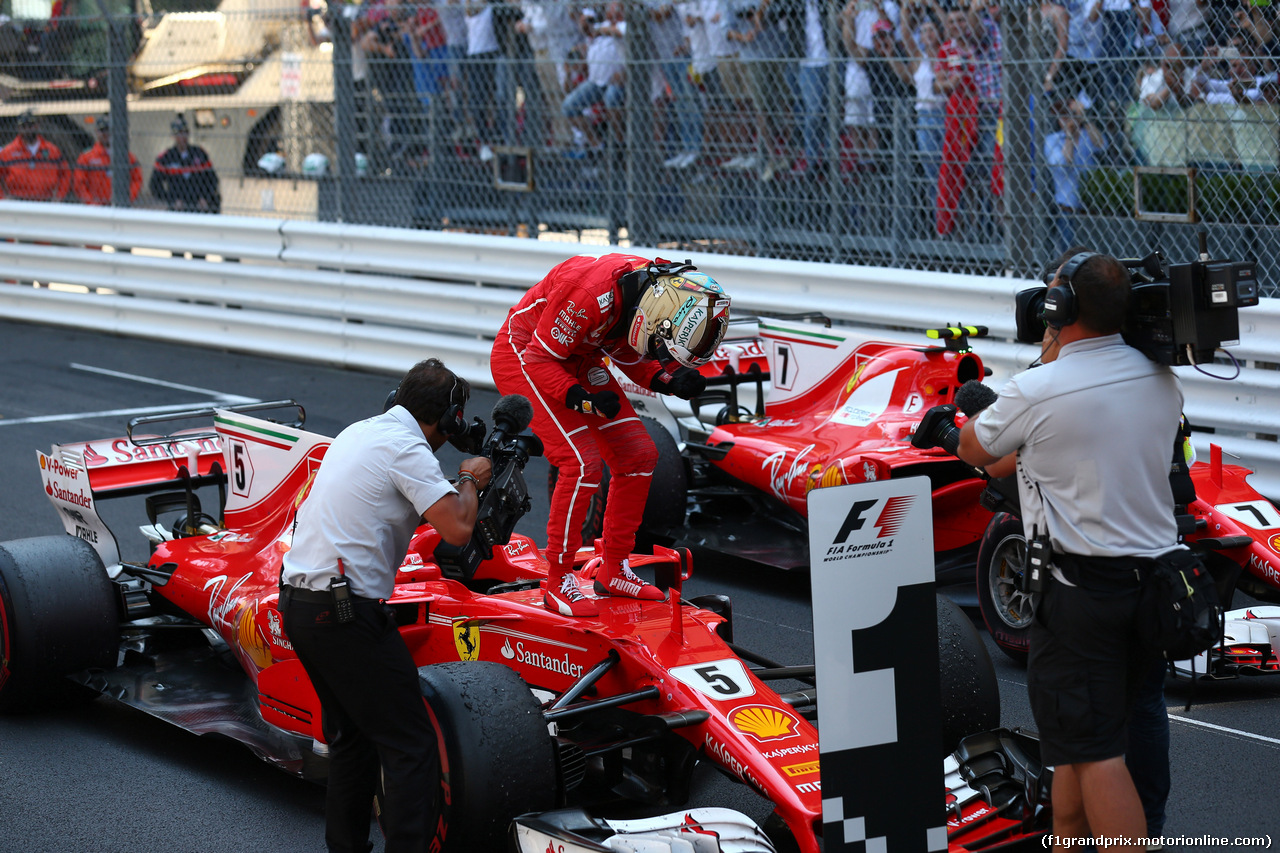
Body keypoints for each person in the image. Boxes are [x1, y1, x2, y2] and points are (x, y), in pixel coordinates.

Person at [953, 251, 1184, 851]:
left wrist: (1040, 365)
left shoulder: (1039, 389)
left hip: (1080, 597)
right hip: (1154, 587)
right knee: (1086, 745)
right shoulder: (1162, 381)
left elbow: (976, 449)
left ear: (1061, 308)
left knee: (1097, 754)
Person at [279, 357, 493, 853]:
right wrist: (471, 480)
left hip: (302, 604)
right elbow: (458, 528)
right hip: (344, 613)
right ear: (449, 419)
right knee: (411, 745)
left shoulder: (362, 431)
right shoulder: (405, 448)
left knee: (352, 740)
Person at [491, 255, 730, 617]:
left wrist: (667, 380)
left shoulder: (648, 290)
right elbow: (540, 359)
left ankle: (615, 567)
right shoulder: (590, 293)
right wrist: (581, 400)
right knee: (579, 462)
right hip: (525, 355)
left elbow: (622, 347)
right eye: (663, 347)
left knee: (639, 455)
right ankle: (557, 579)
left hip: (578, 357)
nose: (661, 353)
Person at [150, 114, 220, 213]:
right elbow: (154, 185)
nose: (182, 137)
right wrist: (172, 200)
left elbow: (213, 179)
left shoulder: (200, 154)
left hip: (199, 204)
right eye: (178, 134)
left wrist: (205, 198)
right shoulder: (166, 158)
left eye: (184, 133)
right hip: (179, 205)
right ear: (173, 136)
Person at [0, 110, 70, 201]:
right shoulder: (8, 152)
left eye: (30, 125)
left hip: (45, 199)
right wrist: (3, 198)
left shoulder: (52, 150)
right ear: (18, 128)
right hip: (17, 200)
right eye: (24, 126)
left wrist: (59, 196)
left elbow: (65, 173)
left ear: (37, 126)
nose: (28, 129)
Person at [73, 115, 142, 206]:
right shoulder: (86, 157)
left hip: (120, 206)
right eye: (102, 130)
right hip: (94, 208)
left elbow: (137, 179)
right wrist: (91, 203)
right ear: (97, 132)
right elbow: (79, 183)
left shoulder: (127, 156)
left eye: (109, 130)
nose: (106, 133)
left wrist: (127, 199)